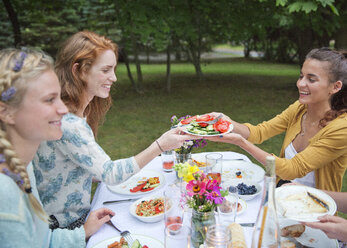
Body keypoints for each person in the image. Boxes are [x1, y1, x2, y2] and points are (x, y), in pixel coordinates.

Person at [32, 31, 195, 229]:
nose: (114, 78)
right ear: (79, 70)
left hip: (74, 217)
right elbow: (110, 174)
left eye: (114, 69)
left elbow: (75, 166)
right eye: (106, 70)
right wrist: (160, 145)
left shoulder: (75, 113)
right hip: (64, 227)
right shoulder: (68, 123)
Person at [0, 48, 115, 247]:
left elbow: (43, 242)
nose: (62, 109)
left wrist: (85, 231)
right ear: (6, 112)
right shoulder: (6, 195)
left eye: (59, 98)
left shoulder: (23, 168)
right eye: (49, 100)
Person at [205, 47, 347, 192]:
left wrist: (241, 142)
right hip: (282, 193)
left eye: (311, 79)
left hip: (316, 208)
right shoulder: (300, 108)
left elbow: (293, 169)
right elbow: (259, 132)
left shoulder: (341, 129)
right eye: (301, 76)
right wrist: (226, 122)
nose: (300, 84)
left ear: (335, 87)